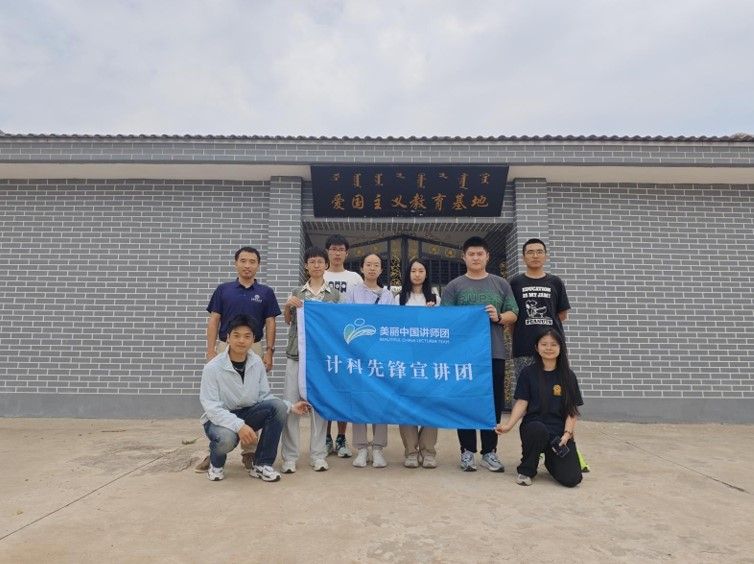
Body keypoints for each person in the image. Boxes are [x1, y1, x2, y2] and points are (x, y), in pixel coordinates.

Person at [196, 246, 281, 472]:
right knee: (221, 399)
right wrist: (210, 350)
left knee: (252, 400)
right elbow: (214, 319)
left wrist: (269, 351)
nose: (247, 265)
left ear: (258, 265)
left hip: (254, 346)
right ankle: (216, 448)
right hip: (225, 345)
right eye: (243, 261)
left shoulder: (265, 292)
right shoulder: (223, 290)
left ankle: (250, 453)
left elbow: (271, 322)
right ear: (236, 263)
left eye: (252, 261)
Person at [509, 238, 589, 473]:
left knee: (561, 400)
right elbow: (513, 318)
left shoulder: (555, 282)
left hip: (552, 350)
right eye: (530, 252)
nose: (535, 255)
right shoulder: (515, 282)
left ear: (545, 255)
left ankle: (569, 446)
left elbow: (561, 315)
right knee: (529, 402)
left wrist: (548, 339)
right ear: (523, 256)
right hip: (525, 349)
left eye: (539, 251)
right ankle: (531, 453)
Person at [200, 314, 309, 482]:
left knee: (278, 407)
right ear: (228, 338)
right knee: (226, 439)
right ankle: (216, 464)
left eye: (247, 336)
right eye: (236, 335)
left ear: (253, 340)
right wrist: (239, 426)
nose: (241, 340)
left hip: (247, 412)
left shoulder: (256, 362)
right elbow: (212, 408)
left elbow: (264, 397)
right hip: (218, 419)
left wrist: (290, 406)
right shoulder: (212, 367)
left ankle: (262, 464)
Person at [441, 236, 518, 472]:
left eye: (480, 254)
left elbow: (513, 313)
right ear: (464, 257)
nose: (475, 258)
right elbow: (445, 319)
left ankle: (489, 451)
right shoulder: (454, 286)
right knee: (464, 401)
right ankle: (466, 451)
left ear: (487, 256)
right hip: (463, 356)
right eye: (471, 254)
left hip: (493, 352)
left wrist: (499, 316)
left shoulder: (500, 284)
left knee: (492, 402)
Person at [495, 329, 583, 487]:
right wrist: (508, 425)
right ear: (536, 347)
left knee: (572, 479)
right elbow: (522, 402)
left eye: (553, 344)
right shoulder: (528, 373)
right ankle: (527, 469)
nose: (548, 348)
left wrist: (567, 434)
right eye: (544, 344)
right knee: (538, 429)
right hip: (534, 427)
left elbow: (572, 410)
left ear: (561, 347)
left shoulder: (568, 376)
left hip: (558, 433)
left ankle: (550, 459)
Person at [280, 247, 340, 474]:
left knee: (320, 407)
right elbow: (288, 321)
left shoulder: (334, 295)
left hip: (322, 359)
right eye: (312, 262)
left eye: (320, 262)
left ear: (326, 265)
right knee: (291, 405)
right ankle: (289, 457)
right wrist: (288, 306)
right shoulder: (297, 292)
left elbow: (339, 324)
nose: (316, 265)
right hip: (296, 355)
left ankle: (318, 455)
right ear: (306, 266)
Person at [344, 253, 394, 468]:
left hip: (380, 355)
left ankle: (378, 448)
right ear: (362, 268)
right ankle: (362, 448)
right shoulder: (353, 292)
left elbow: (391, 324)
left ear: (381, 270)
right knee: (360, 399)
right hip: (358, 354)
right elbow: (345, 319)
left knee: (380, 399)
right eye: (368, 264)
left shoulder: (388, 295)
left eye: (376, 265)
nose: (372, 268)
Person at [394, 258, 440, 469]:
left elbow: (443, 327)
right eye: (413, 270)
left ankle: (428, 451)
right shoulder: (399, 299)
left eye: (421, 270)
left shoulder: (435, 298)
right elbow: (392, 325)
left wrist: (433, 315)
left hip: (429, 359)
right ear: (408, 274)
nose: (417, 274)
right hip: (405, 358)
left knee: (430, 403)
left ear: (426, 274)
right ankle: (411, 451)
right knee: (406, 403)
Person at [322, 234, 363, 458]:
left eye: (341, 249)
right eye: (333, 249)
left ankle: (341, 437)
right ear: (327, 251)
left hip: (348, 341)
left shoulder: (355, 278)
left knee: (345, 389)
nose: (337, 253)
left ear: (347, 253)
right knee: (327, 388)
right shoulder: (320, 275)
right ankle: (325, 437)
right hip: (324, 340)